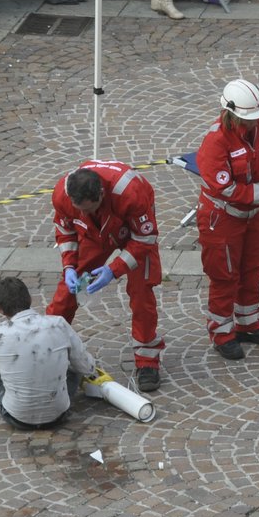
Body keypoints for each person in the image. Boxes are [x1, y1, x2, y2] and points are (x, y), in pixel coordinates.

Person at [44, 157, 167, 392]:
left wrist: (114, 269)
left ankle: (147, 360)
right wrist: (69, 266)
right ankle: (46, 344)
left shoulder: (132, 193)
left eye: (89, 208)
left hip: (134, 232)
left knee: (141, 293)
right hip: (94, 233)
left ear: (101, 194)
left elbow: (145, 238)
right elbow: (66, 230)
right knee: (68, 291)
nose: (84, 212)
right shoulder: (63, 195)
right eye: (80, 210)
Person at [196, 79, 259, 361]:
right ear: (231, 114)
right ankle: (222, 332)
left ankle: (248, 324)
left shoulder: (258, 126)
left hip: (251, 217)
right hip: (222, 220)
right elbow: (225, 189)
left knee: (252, 270)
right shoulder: (215, 141)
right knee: (224, 277)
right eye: (248, 120)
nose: (254, 124)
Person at [0, 276, 98, 428]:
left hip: (16, 417)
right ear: (30, 299)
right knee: (73, 363)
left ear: (0, 309)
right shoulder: (59, 324)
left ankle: (10, 393)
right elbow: (87, 368)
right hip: (58, 415)